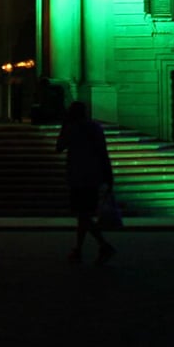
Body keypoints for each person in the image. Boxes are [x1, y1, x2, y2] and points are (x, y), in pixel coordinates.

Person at [56, 100, 115, 264]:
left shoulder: (71, 128)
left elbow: (59, 147)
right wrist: (109, 176)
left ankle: (103, 245)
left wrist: (64, 127)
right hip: (93, 176)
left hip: (78, 176)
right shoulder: (96, 128)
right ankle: (79, 250)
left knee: (83, 214)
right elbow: (103, 153)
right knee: (84, 215)